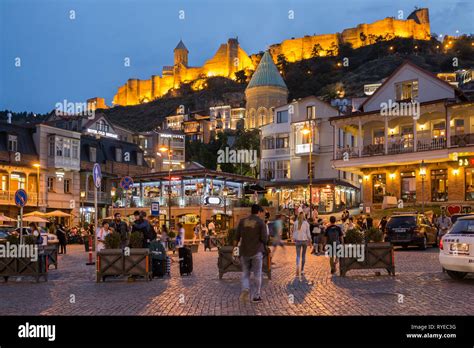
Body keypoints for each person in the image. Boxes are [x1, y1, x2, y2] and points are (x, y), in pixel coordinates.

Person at [234, 204, 268, 303]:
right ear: (259, 212)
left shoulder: (242, 221)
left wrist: (235, 251)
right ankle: (256, 296)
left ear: (251, 211)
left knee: (245, 273)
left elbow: (236, 238)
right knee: (257, 274)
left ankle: (245, 288)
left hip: (244, 251)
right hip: (257, 251)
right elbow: (264, 239)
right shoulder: (261, 223)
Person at [292, 212, 312, 276]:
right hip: (304, 241)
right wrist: (310, 241)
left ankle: (297, 266)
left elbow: (294, 231)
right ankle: (302, 270)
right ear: (304, 216)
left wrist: (293, 238)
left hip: (297, 240)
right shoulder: (306, 223)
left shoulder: (295, 223)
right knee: (303, 255)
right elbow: (308, 233)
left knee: (298, 255)